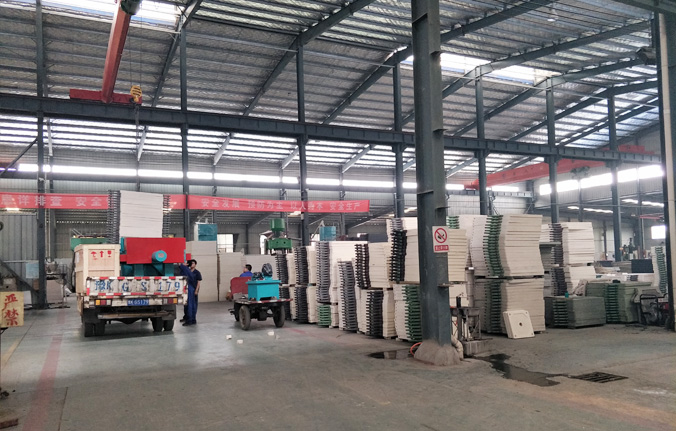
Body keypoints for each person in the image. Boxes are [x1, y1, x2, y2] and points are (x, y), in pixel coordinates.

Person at [179, 259, 201, 326]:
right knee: (189, 305)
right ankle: (190, 319)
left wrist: (196, 290)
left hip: (191, 289)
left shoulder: (195, 272)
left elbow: (198, 282)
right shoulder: (188, 270)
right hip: (189, 288)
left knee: (190, 305)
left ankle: (190, 320)